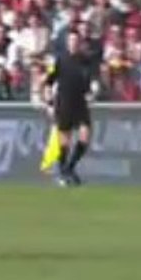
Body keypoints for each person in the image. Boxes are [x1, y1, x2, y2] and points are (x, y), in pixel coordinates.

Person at [43, 31, 99, 186]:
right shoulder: (60, 60)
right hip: (64, 102)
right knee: (64, 141)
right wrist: (49, 103)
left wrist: (92, 92)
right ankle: (63, 171)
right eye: (71, 40)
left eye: (76, 40)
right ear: (67, 43)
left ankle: (70, 168)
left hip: (80, 103)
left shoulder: (86, 60)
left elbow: (91, 80)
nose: (73, 43)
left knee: (85, 135)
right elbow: (48, 82)